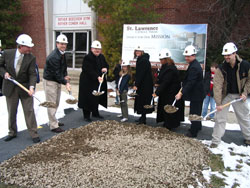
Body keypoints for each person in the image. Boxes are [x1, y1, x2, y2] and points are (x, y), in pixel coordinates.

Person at [0, 34, 40, 143]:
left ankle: (34, 133)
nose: (30, 49)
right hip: (10, 88)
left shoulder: (31, 57)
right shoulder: (7, 54)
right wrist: (4, 73)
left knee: (29, 111)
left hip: (25, 88)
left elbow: (32, 74)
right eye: (28, 46)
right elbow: (0, 66)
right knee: (12, 112)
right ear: (21, 46)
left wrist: (32, 87)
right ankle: (12, 132)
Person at [210, 42, 250, 148]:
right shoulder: (222, 68)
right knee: (220, 118)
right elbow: (217, 86)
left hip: (240, 96)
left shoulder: (245, 65)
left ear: (234, 53)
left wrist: (245, 92)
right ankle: (215, 140)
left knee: (244, 117)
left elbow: (249, 81)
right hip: (226, 96)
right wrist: (218, 103)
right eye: (225, 55)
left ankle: (248, 138)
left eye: (229, 54)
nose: (226, 57)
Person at [43, 34, 71, 133]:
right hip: (50, 81)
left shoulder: (62, 53)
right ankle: (53, 126)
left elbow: (63, 68)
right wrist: (66, 82)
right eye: (61, 43)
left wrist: (66, 76)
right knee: (51, 104)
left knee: (56, 102)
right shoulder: (54, 56)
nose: (63, 45)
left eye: (65, 44)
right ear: (57, 44)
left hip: (57, 80)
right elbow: (56, 73)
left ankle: (53, 121)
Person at [175, 45, 205, 137]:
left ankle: (193, 131)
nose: (186, 58)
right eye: (186, 56)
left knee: (194, 112)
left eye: (188, 56)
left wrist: (181, 92)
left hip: (197, 94)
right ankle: (198, 126)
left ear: (194, 56)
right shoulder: (193, 65)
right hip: (197, 94)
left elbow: (191, 82)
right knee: (197, 111)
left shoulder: (194, 67)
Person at [78, 40, 109, 122]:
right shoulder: (88, 57)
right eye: (95, 49)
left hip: (97, 81)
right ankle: (86, 116)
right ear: (91, 49)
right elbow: (88, 70)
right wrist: (97, 77)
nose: (97, 50)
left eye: (98, 49)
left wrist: (106, 69)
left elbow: (106, 65)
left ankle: (95, 113)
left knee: (96, 98)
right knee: (87, 98)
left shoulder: (101, 57)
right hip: (87, 82)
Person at [153, 48, 184, 130]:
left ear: (166, 59)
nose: (160, 61)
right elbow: (162, 79)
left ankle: (170, 125)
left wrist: (157, 92)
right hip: (166, 92)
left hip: (171, 92)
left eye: (162, 59)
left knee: (169, 109)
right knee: (165, 108)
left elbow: (166, 82)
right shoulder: (165, 67)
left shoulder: (170, 68)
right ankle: (166, 122)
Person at [133, 45, 154, 124]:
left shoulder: (143, 60)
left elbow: (141, 74)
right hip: (144, 84)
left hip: (144, 85)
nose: (137, 52)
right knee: (142, 101)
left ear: (142, 52)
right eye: (136, 51)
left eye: (139, 51)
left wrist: (136, 84)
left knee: (143, 101)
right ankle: (142, 117)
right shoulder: (142, 59)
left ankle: (143, 119)